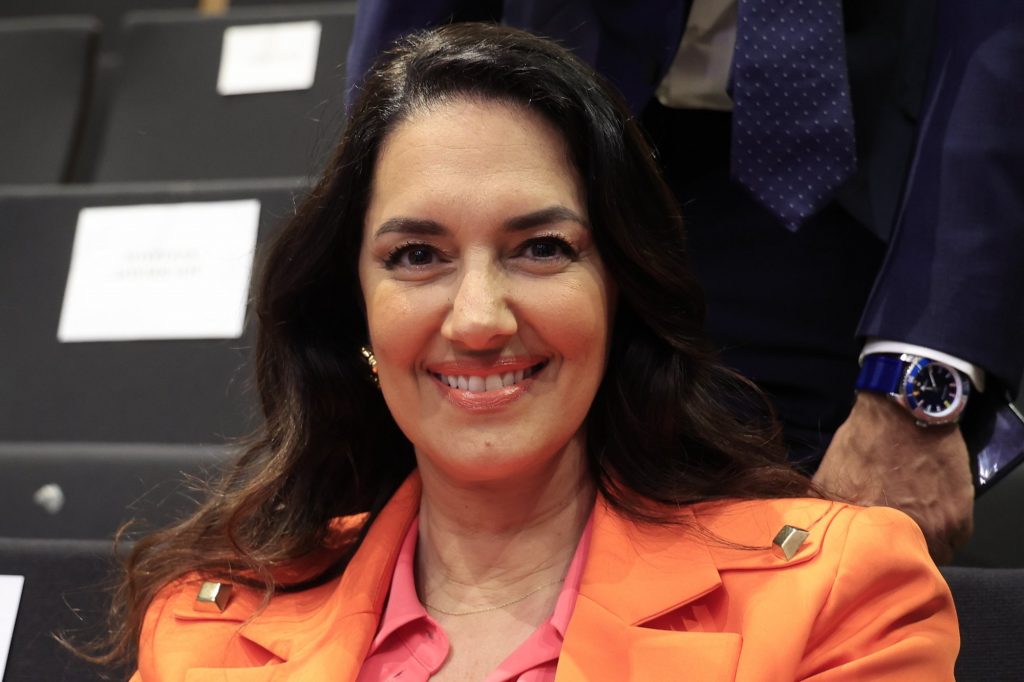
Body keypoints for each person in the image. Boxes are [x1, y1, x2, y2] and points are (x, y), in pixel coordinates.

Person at [118, 24, 956, 680]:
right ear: (356, 312)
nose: (479, 319)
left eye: (541, 249)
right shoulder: (206, 630)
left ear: (619, 288)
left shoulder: (836, 593)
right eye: (418, 255)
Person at [345, 0, 1024, 564]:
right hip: (562, 154)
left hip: (865, 197)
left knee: (814, 582)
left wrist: (916, 390)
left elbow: (995, 38)